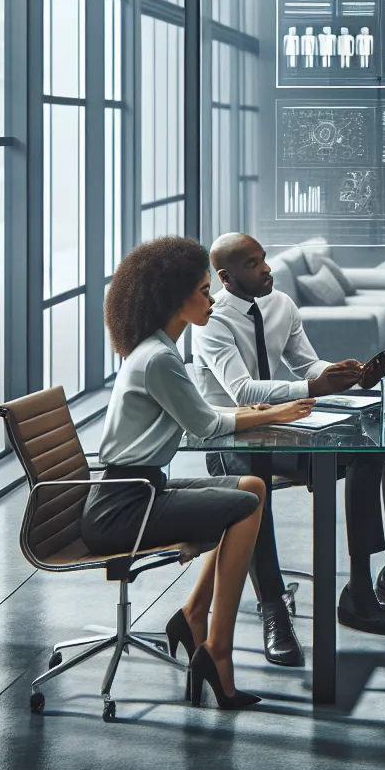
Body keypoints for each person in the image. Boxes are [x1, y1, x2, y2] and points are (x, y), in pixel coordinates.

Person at [84, 236, 315, 710]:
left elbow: (204, 413)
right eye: (205, 291)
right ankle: (217, 651)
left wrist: (262, 410)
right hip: (125, 504)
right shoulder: (161, 358)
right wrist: (276, 412)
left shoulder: (155, 349)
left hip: (142, 488)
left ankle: (191, 615)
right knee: (247, 504)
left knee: (249, 486)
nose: (212, 300)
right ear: (177, 298)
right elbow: (207, 423)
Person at [192, 233, 385, 665]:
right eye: (253, 265)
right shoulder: (211, 321)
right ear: (226, 277)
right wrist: (311, 387)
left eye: (265, 260)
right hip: (234, 435)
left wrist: (347, 373)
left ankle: (382, 579)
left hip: (286, 426)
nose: (267, 269)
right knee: (256, 481)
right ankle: (273, 605)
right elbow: (241, 390)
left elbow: (307, 364)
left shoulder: (281, 305)